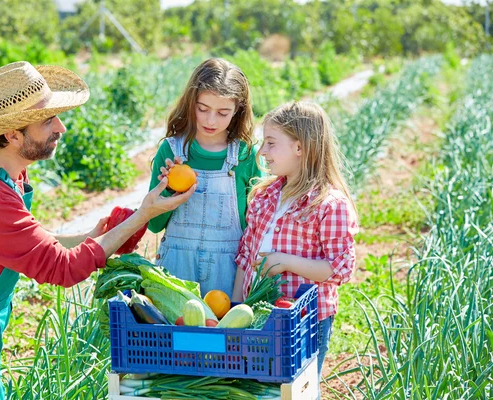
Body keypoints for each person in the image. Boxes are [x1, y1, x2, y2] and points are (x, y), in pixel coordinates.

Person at [0, 61, 195, 400]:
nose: (61, 127)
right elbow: (62, 269)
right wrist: (143, 215)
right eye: (48, 120)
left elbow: (27, 239)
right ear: (12, 134)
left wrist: (92, 236)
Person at [232, 101, 359, 390]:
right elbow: (245, 256)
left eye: (271, 143)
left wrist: (286, 262)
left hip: (304, 320)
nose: (263, 152)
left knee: (297, 389)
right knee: (258, 389)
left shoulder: (328, 204)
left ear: (299, 148)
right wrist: (236, 304)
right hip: (257, 312)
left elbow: (340, 269)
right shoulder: (266, 195)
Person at [148, 58, 262, 298]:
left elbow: (259, 228)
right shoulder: (171, 152)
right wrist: (169, 190)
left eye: (223, 113)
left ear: (238, 110)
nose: (211, 121)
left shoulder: (245, 156)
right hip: (176, 273)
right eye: (203, 109)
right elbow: (154, 225)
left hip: (230, 276)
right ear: (191, 103)